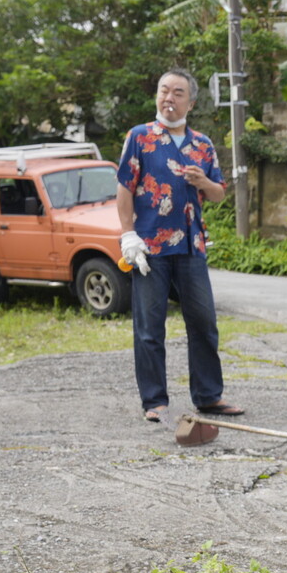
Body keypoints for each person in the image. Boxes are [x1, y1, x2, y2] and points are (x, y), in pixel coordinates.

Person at [116, 68, 243, 423]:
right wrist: (128, 235)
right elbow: (124, 188)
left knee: (203, 323)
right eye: (163, 91)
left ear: (191, 101)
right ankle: (154, 402)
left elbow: (218, 194)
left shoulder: (202, 144)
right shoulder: (140, 137)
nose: (168, 98)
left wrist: (203, 180)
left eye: (177, 93)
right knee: (149, 327)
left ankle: (208, 396)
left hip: (191, 246)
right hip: (149, 248)